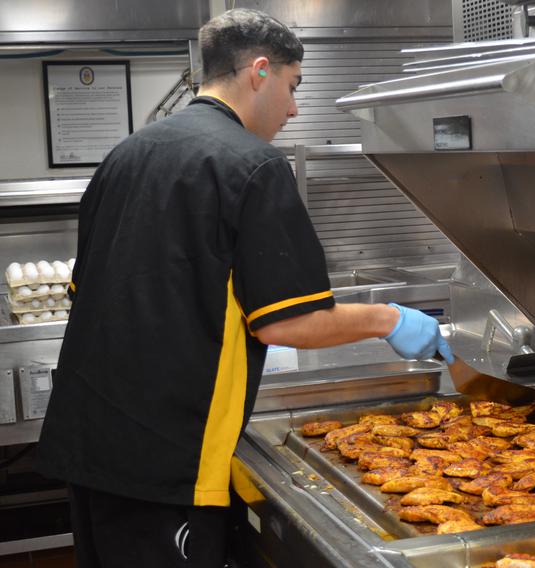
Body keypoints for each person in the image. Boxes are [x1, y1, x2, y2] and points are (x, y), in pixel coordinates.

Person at [36, 8, 452, 567]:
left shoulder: (126, 154)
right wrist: (390, 319)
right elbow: (286, 321)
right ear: (259, 71)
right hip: (169, 461)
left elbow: (90, 290)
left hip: (91, 445)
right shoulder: (253, 165)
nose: (294, 108)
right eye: (293, 85)